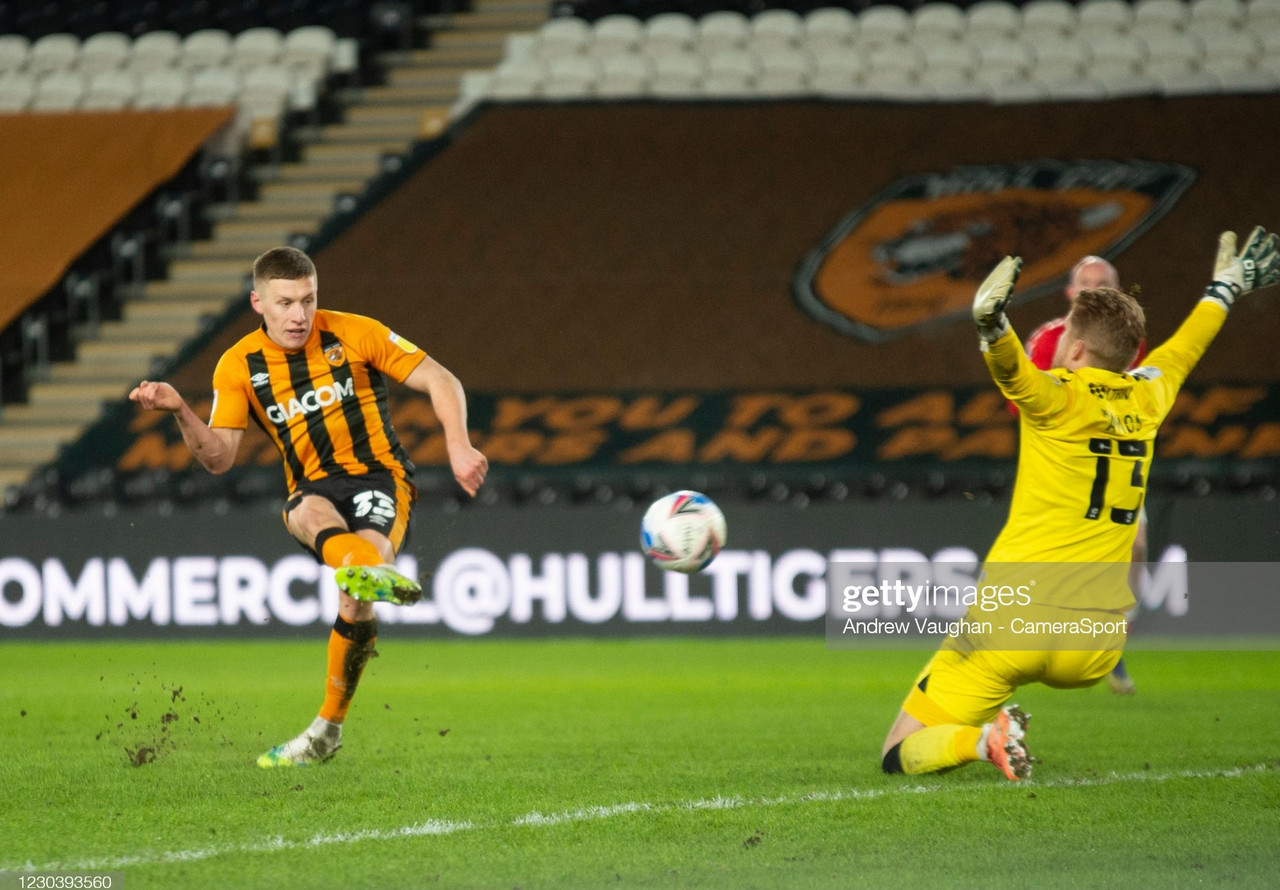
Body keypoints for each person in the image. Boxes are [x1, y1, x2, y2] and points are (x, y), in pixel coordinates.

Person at [880, 227, 1279, 781]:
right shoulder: (1149, 394)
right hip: (1094, 645)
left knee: (898, 753)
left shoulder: (1058, 397)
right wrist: (1226, 287)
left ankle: (981, 740)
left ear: (1076, 347)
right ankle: (990, 719)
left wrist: (992, 326)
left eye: (1067, 331)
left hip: (1011, 630)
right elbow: (1189, 344)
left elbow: (1013, 372)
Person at [129, 246, 488, 768]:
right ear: (258, 303)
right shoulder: (239, 366)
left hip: (380, 479)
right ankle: (371, 572)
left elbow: (440, 378)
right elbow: (219, 459)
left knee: (353, 597)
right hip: (314, 486)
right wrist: (181, 410)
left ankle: (327, 728)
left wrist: (457, 443)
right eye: (285, 303)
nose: (299, 315)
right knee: (306, 513)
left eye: (308, 300)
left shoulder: (355, 332)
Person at [1016, 256, 1146, 694]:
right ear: (1071, 293)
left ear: (1118, 292)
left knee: (1137, 546)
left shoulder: (1131, 341)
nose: (1092, 290)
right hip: (1063, 467)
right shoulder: (1048, 338)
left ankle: (1116, 636)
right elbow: (1027, 404)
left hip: (1113, 460)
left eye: (1102, 283)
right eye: (1085, 283)